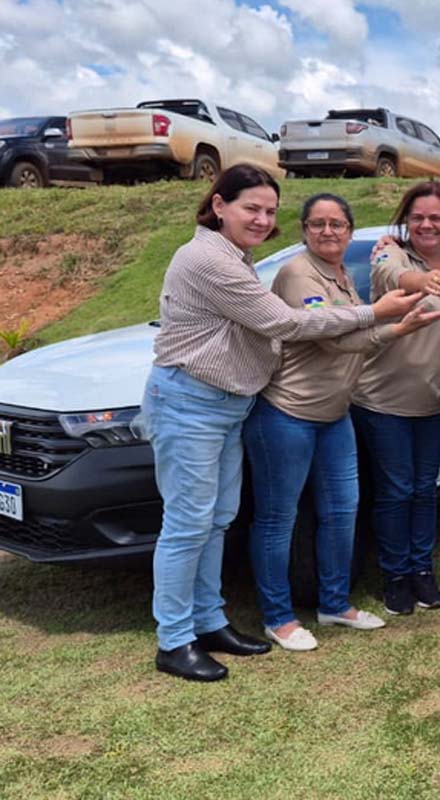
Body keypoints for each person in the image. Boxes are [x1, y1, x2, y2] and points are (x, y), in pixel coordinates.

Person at [142, 165, 418, 681]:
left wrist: (384, 319)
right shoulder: (206, 258)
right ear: (219, 204)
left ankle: (209, 620)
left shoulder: (236, 257)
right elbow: (284, 323)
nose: (262, 218)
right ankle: (174, 639)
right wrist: (375, 313)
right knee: (186, 526)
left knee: (218, 519)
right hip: (192, 404)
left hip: (227, 405)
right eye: (252, 208)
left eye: (270, 211)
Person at [244, 193, 440, 652]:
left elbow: (356, 333)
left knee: (342, 514)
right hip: (288, 414)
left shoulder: (340, 274)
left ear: (350, 231)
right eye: (317, 224)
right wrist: (389, 321)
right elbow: (332, 338)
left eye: (337, 224)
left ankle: (334, 604)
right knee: (278, 520)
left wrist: (398, 328)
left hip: (335, 415)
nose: (328, 232)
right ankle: (278, 617)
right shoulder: (298, 273)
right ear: (304, 230)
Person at [351, 181, 440, 616]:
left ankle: (422, 570)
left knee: (424, 489)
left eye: (436, 217)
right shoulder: (390, 252)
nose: (426, 225)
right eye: (417, 217)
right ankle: (396, 575)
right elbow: (392, 276)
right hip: (381, 400)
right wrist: (427, 279)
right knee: (396, 490)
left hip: (435, 401)